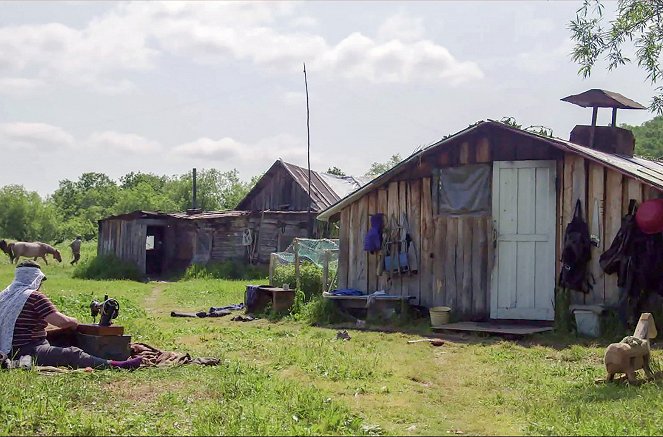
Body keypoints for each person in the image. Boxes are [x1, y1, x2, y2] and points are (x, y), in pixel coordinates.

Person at [0, 260, 141, 369]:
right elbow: (62, 322)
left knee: (61, 339)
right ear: (36, 279)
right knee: (72, 353)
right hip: (26, 350)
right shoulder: (34, 297)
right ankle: (115, 364)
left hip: (6, 348)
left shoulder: (4, 295)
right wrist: (74, 321)